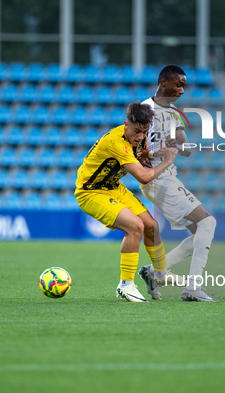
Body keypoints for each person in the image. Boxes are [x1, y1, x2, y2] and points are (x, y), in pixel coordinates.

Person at [75, 101, 178, 302]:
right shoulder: (116, 142)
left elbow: (137, 152)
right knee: (135, 227)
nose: (140, 137)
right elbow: (144, 177)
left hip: (113, 187)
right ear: (126, 124)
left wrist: (151, 154)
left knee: (151, 226)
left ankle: (159, 274)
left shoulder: (137, 136)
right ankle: (125, 285)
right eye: (137, 132)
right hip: (91, 192)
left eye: (144, 132)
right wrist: (167, 160)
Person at [137, 65, 219, 302]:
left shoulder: (173, 113)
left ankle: (154, 272)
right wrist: (158, 152)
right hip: (156, 177)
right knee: (208, 222)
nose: (182, 90)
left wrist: (179, 146)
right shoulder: (145, 110)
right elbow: (134, 151)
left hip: (168, 176)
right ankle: (192, 288)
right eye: (179, 84)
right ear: (164, 82)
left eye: (184, 85)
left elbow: (187, 150)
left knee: (200, 232)